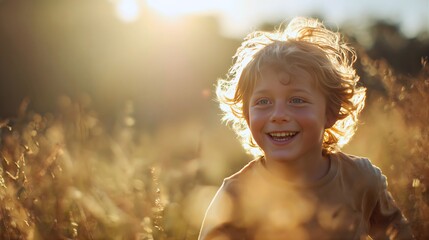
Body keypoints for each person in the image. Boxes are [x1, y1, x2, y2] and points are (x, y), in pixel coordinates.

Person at [198, 17, 414, 240]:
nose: (279, 115)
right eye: (263, 102)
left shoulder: (361, 179)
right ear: (247, 115)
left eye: (297, 100)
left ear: (329, 112)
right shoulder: (235, 197)